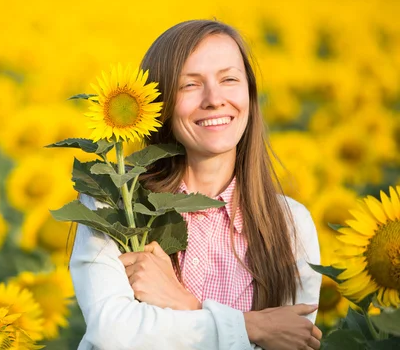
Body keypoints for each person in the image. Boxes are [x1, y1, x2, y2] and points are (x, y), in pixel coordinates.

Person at [69, 20, 322, 350]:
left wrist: (187, 306)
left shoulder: (290, 224)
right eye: (190, 85)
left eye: (229, 79)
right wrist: (251, 328)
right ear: (158, 105)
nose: (214, 99)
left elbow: (293, 340)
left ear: (250, 92)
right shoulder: (115, 206)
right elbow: (113, 332)